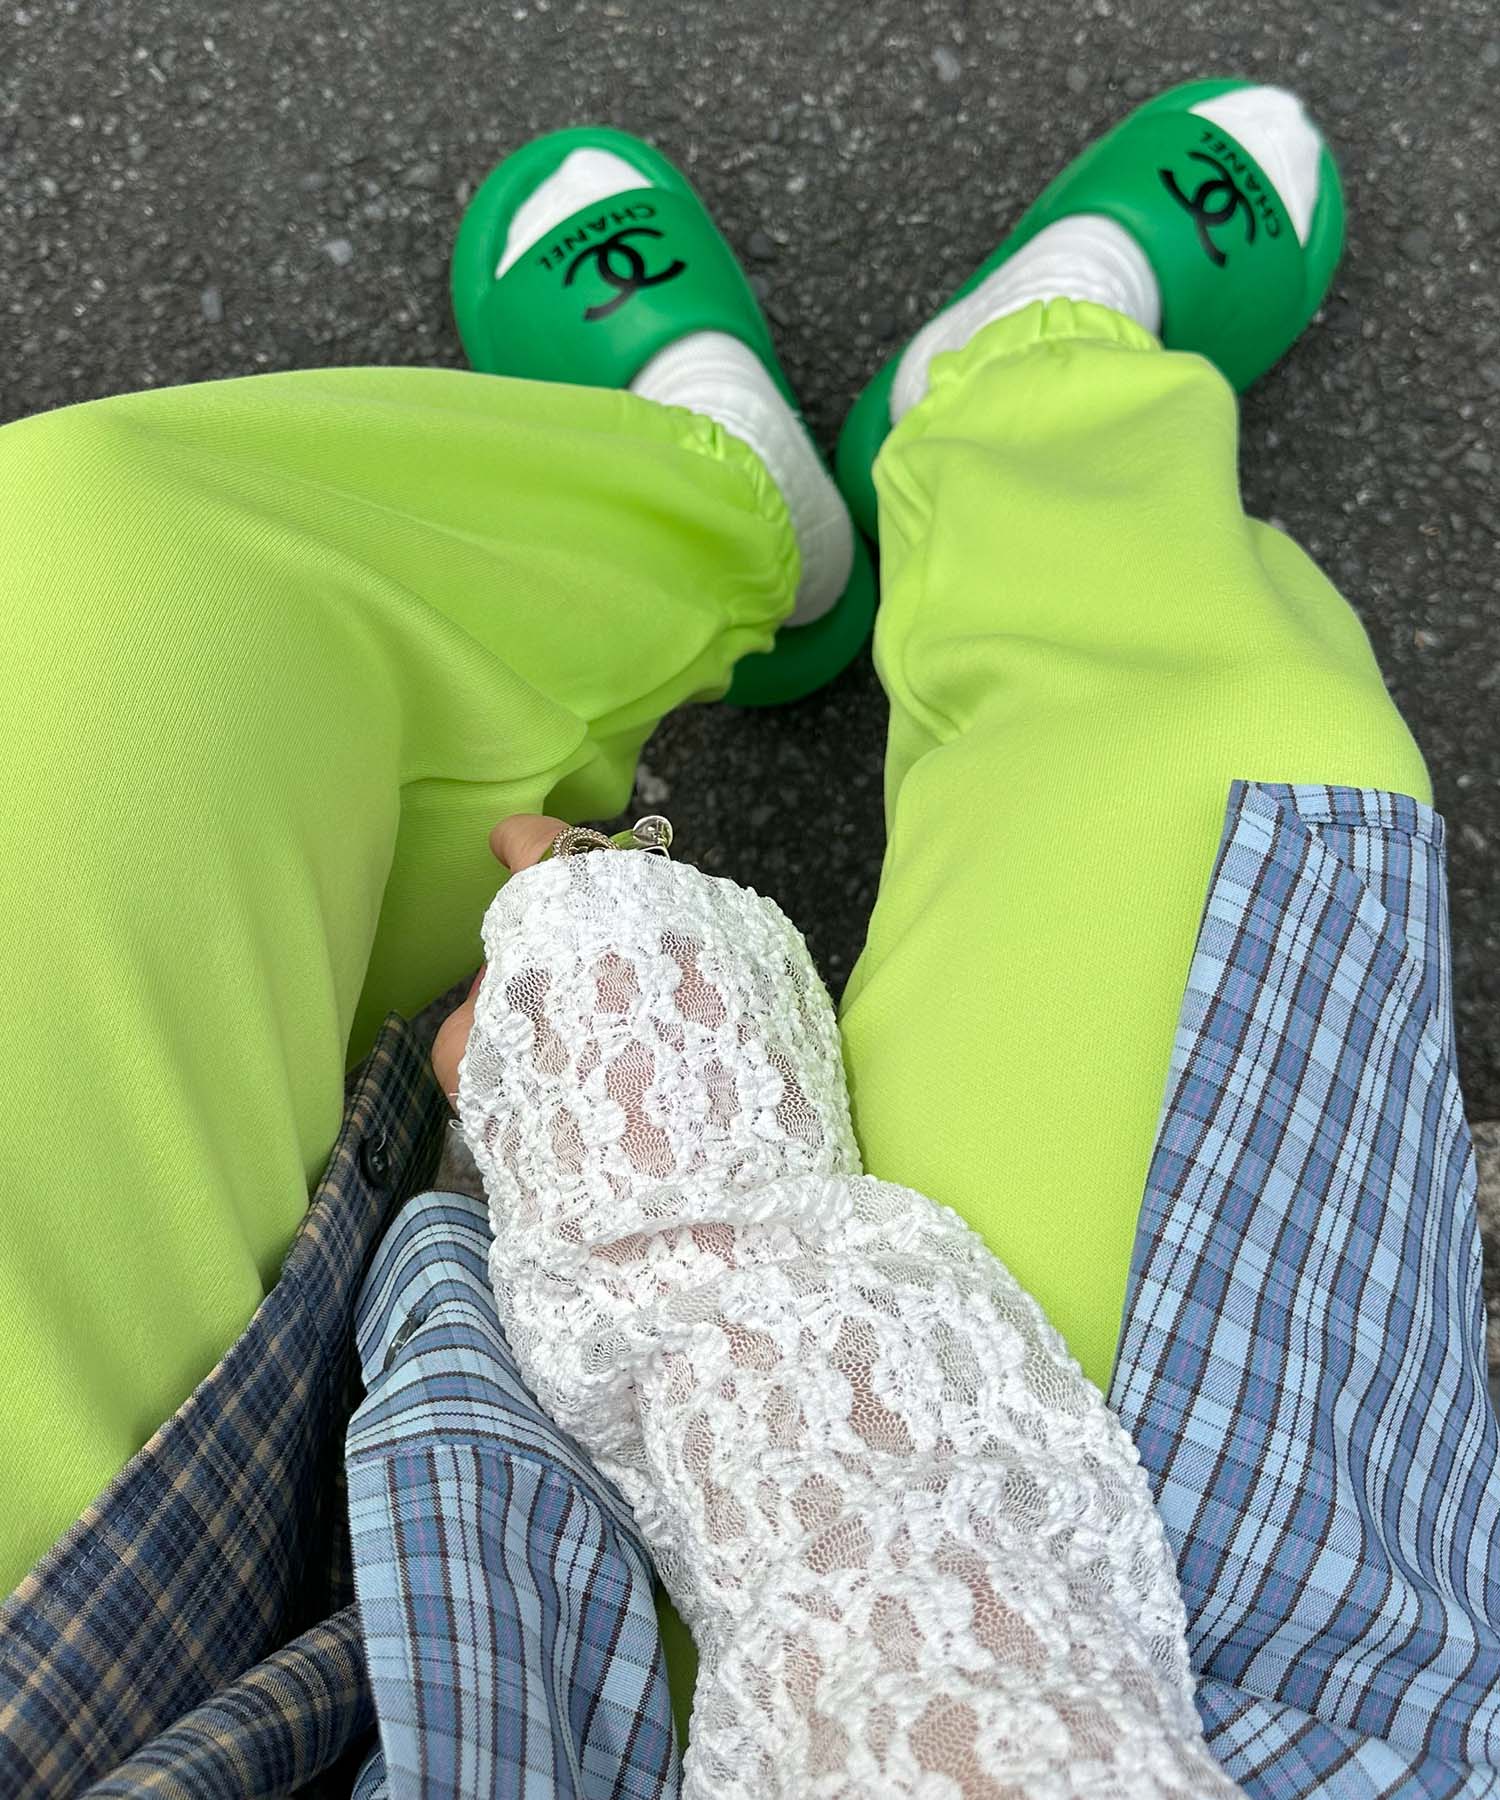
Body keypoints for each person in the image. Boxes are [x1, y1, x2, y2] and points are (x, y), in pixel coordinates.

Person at [1, 74, 1495, 1800]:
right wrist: (706, 1242)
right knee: (1224, 767)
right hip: (1121, 1689)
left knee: (103, 573)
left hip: (84, 1680)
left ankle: (727, 517)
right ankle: (1026, 402)